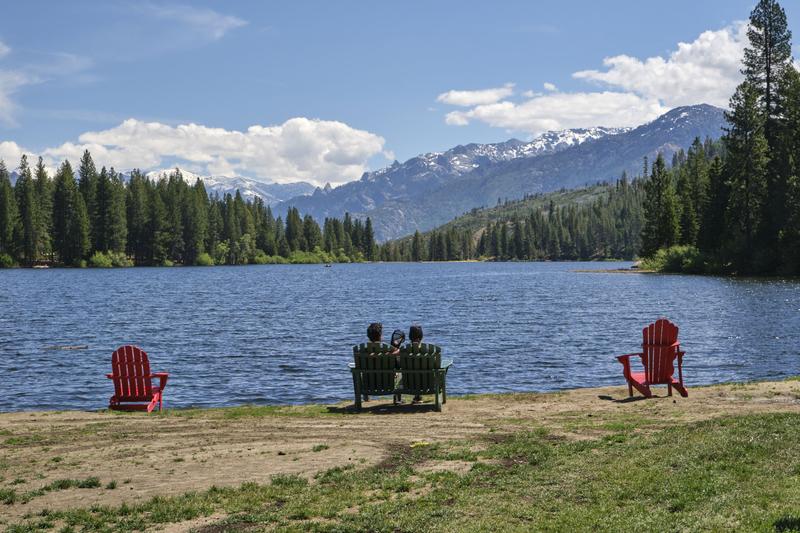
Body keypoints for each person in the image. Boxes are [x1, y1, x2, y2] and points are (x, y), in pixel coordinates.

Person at [408, 324, 424, 403]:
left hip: (408, 383)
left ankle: (416, 396)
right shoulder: (429, 351)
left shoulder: (404, 351)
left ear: (410, 336)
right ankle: (418, 396)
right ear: (421, 336)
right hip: (427, 383)